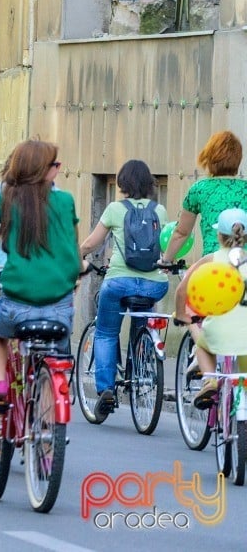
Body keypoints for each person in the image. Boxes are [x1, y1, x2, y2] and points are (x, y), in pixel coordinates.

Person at [0, 140, 81, 420]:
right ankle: (46, 415)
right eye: (54, 165)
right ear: (42, 170)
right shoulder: (66, 201)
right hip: (60, 310)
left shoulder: (7, 198)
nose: (58, 170)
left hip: (16, 304)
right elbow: (74, 250)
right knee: (51, 351)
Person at [78, 160, 170, 421]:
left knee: (107, 332)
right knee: (142, 317)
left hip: (119, 281)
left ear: (122, 183)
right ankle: (143, 359)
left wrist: (76, 256)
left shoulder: (115, 209)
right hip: (155, 284)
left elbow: (91, 243)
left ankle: (106, 389)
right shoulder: (160, 210)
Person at [174, 208, 247, 409]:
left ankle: (210, 380)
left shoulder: (211, 260)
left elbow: (182, 290)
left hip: (219, 333)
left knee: (203, 347)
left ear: (219, 236)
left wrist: (181, 314)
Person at [162, 130, 247, 264]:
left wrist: (166, 260)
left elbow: (181, 233)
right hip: (243, 264)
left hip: (212, 265)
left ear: (209, 158)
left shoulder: (199, 189)